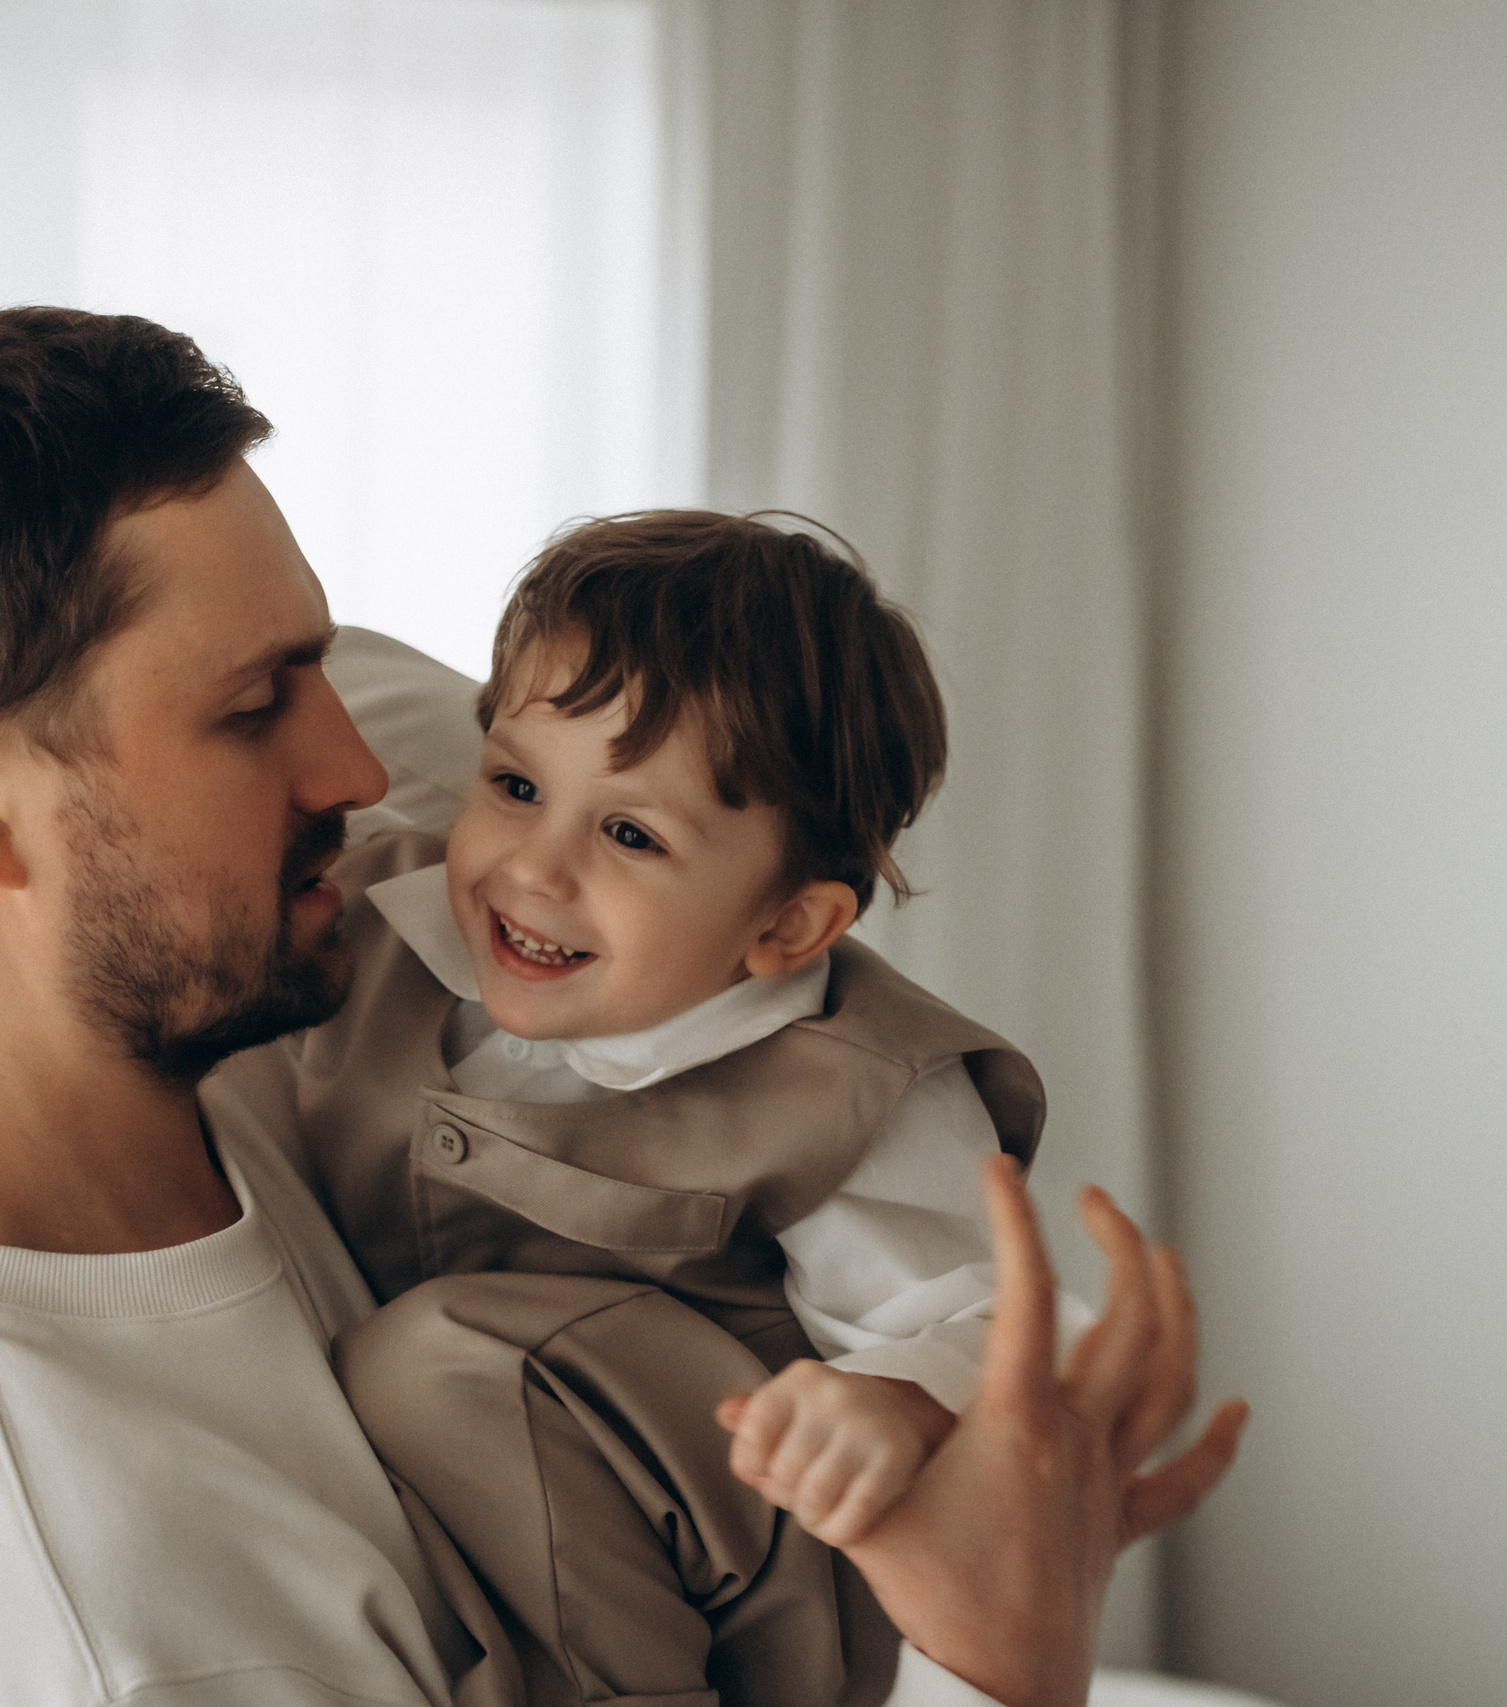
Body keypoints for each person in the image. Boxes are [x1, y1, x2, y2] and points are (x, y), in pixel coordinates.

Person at [0, 306, 1247, 1707]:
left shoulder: (116, 963)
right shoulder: (133, 1633)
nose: (364, 768)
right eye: (261, 706)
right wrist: (1002, 1653)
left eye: (316, 668)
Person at [277, 511, 1074, 1706]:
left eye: (633, 835)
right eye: (513, 784)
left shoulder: (850, 1086)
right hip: (505, 1541)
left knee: (438, 1361)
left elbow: (988, 1330)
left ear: (784, 926)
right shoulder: (367, 918)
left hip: (769, 1593)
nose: (533, 869)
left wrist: (890, 1406)